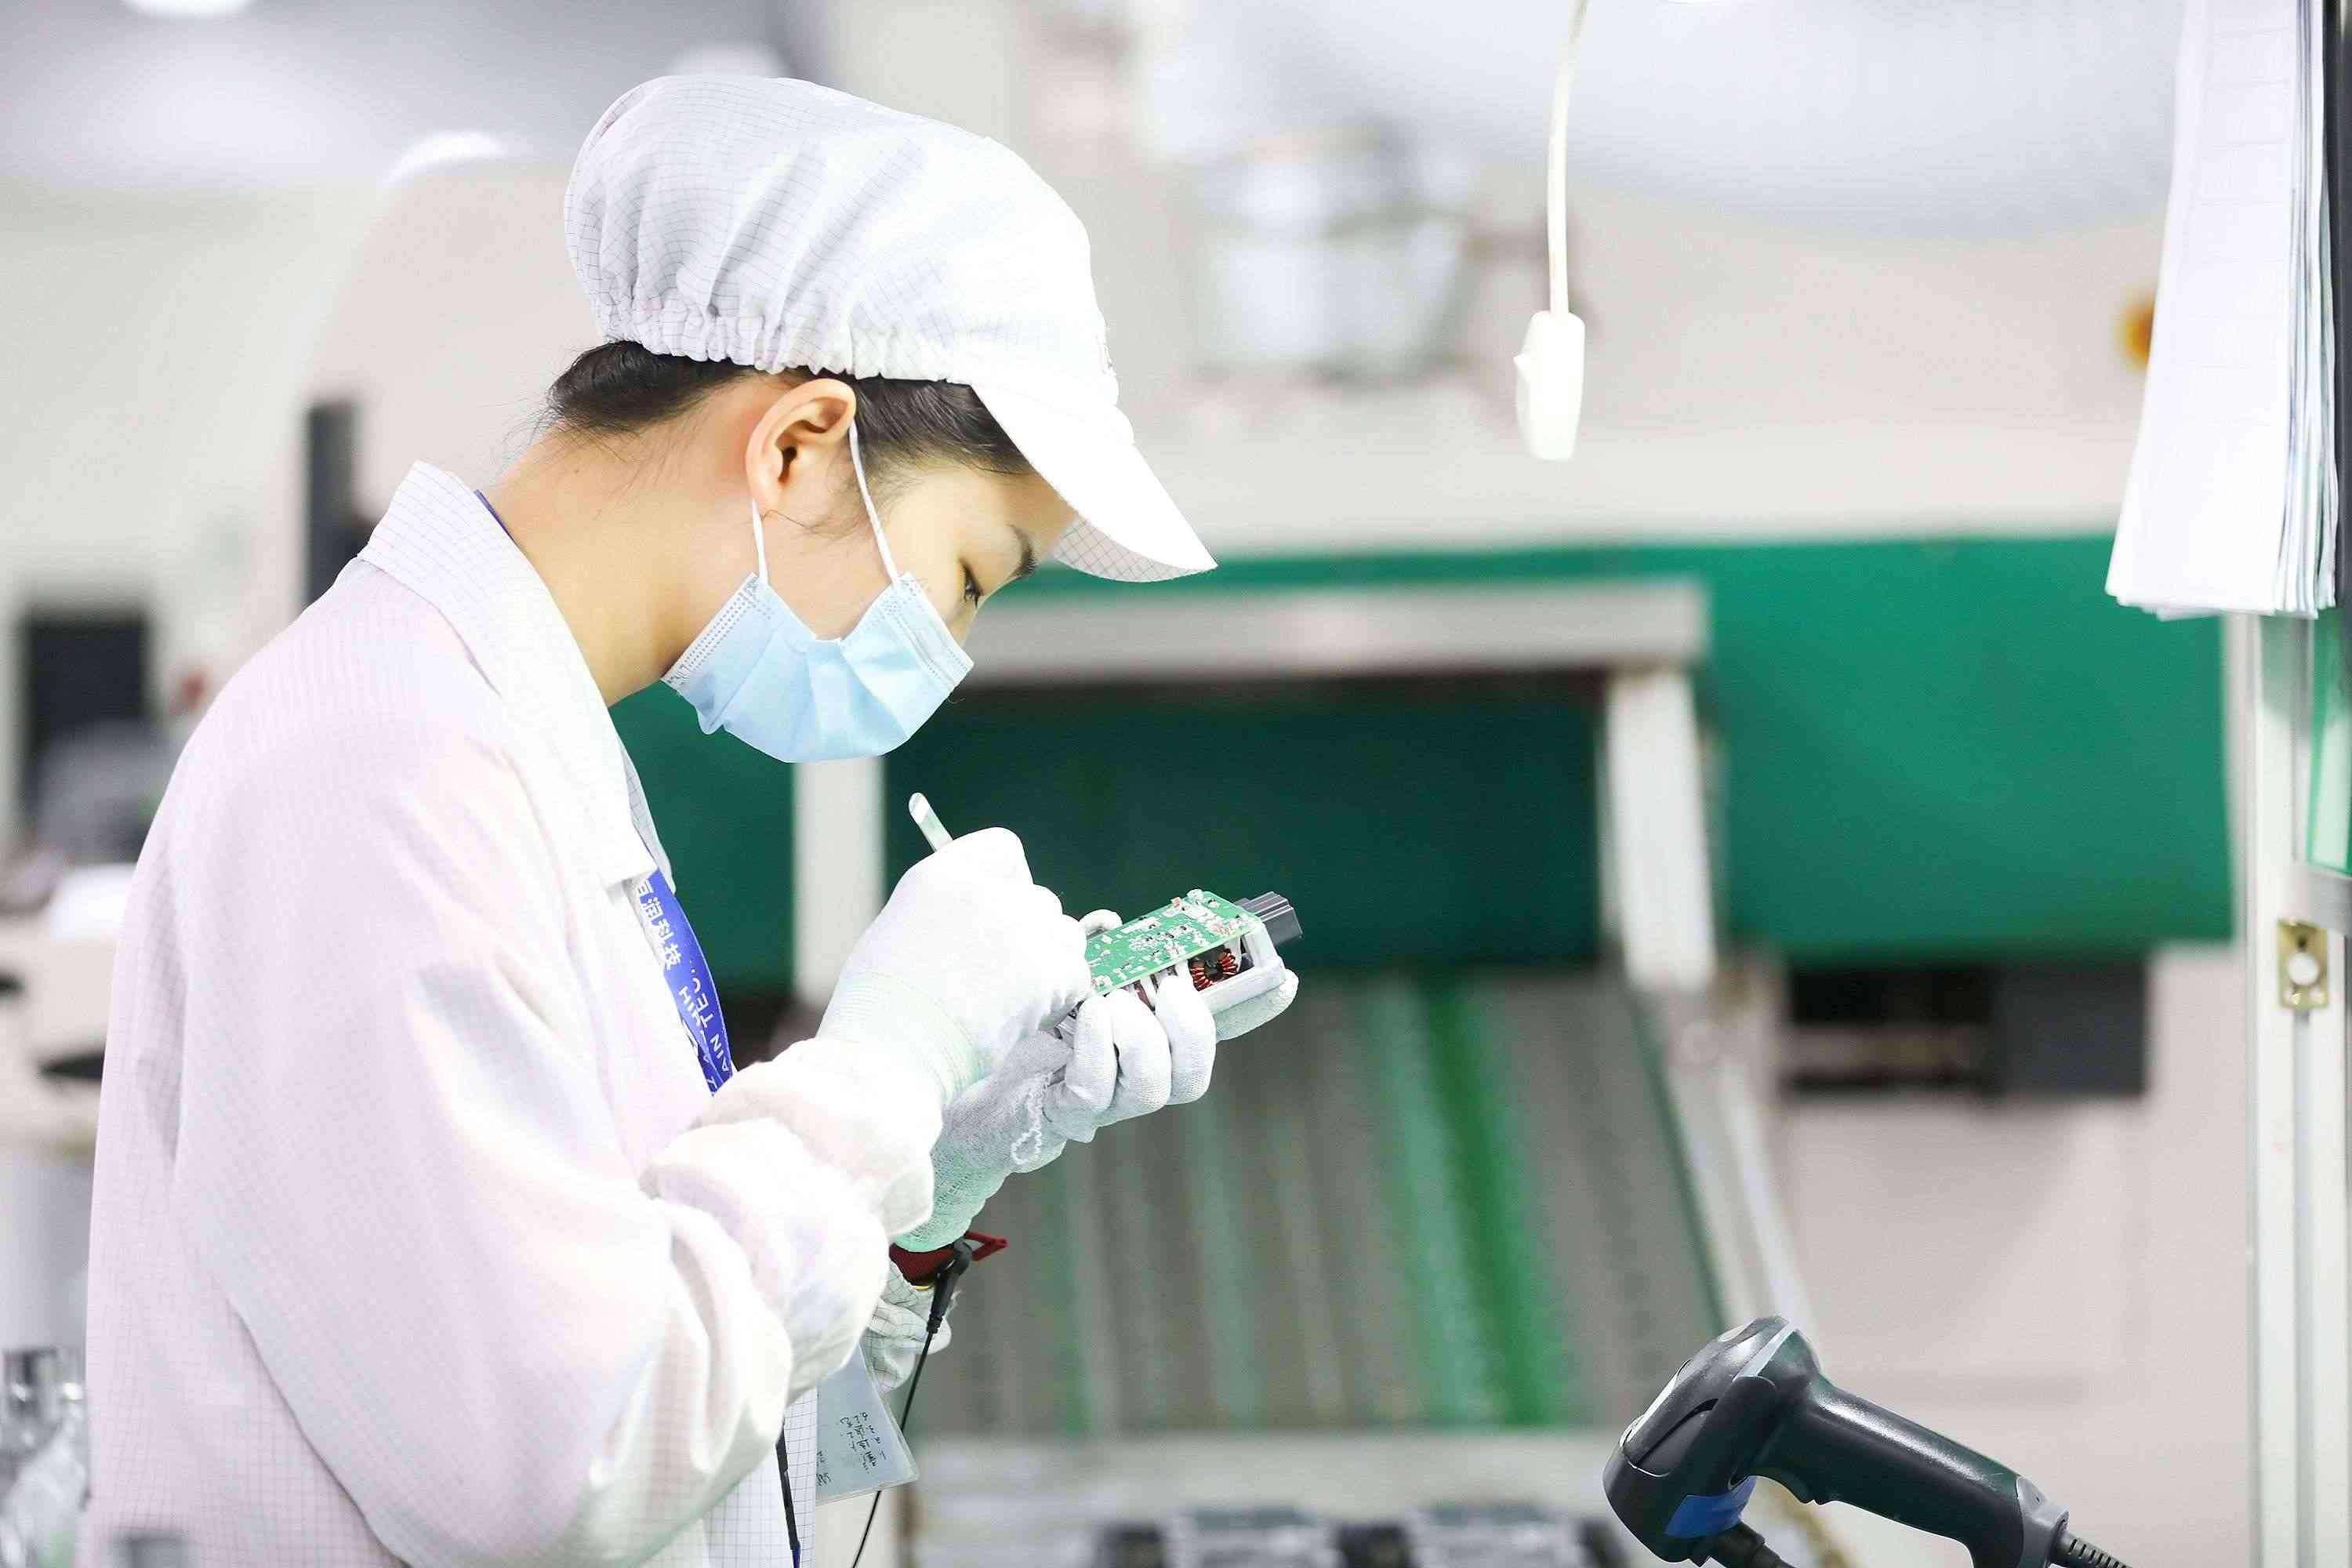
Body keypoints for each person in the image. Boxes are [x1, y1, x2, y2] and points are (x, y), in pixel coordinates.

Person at [80, 76, 1295, 1567]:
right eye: (973, 574)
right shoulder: (382, 762)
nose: (954, 646)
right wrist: (884, 1066)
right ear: (798, 446)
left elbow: (692, 1426)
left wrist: (928, 1179)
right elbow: (551, 1467)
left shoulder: (523, 748)